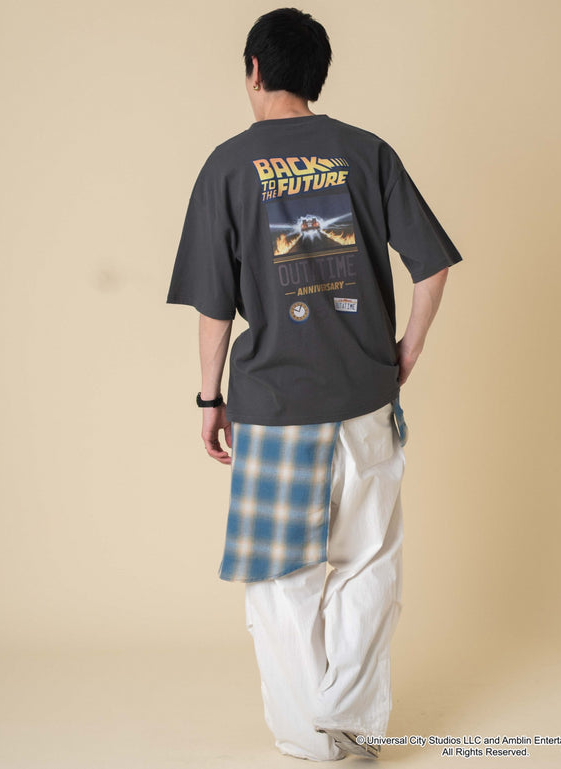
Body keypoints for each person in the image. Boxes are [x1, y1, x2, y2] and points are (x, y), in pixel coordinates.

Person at [166, 7, 463, 761]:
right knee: (367, 563)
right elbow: (432, 268)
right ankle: (351, 725)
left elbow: (214, 307)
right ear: (317, 74)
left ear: (254, 70)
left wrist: (209, 399)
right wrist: (405, 353)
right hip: (365, 398)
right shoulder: (367, 152)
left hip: (272, 407)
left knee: (280, 577)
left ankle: (308, 735)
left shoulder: (227, 166)